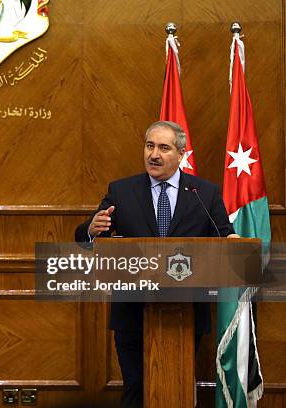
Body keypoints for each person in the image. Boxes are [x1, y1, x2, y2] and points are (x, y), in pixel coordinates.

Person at [75, 120, 238, 408]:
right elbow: (84, 238)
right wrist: (91, 228)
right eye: (150, 146)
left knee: (180, 387)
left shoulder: (204, 193)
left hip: (186, 310)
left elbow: (223, 237)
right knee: (135, 388)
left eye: (164, 148)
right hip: (132, 311)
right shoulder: (122, 191)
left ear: (181, 154)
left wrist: (234, 243)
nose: (155, 154)